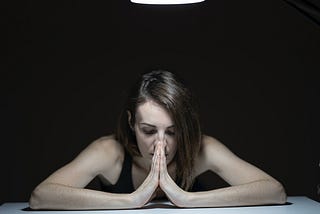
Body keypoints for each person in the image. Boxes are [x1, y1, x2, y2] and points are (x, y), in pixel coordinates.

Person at [29, 70, 287, 210]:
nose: (161, 144)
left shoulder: (202, 148)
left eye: (172, 132)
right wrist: (132, 200)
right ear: (131, 123)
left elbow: (274, 191)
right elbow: (41, 197)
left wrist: (186, 199)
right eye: (149, 130)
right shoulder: (109, 151)